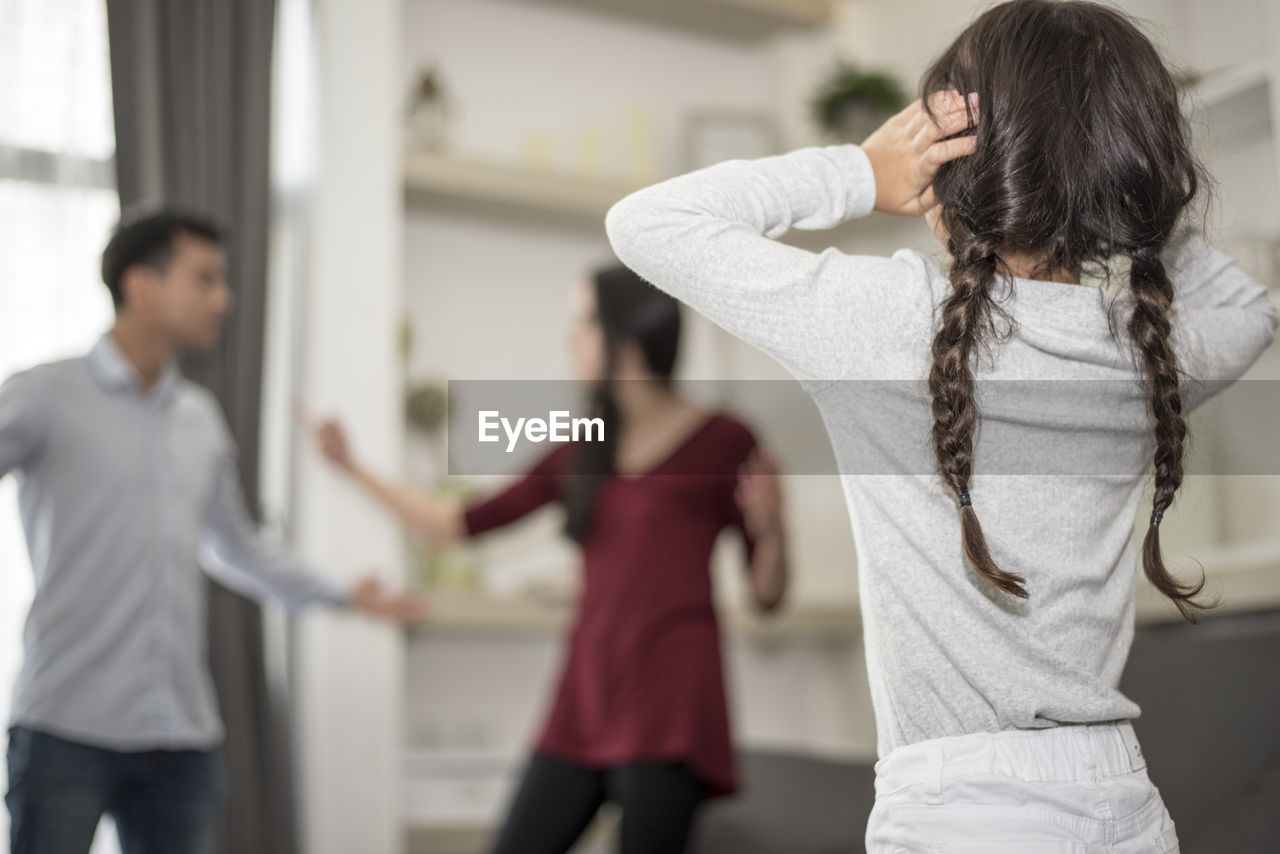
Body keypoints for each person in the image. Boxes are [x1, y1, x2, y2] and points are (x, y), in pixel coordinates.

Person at [603, 1, 1279, 851]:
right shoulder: (1142, 354)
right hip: (1124, 809)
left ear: (967, 157)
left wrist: (862, 170)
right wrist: (1119, 172)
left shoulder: (887, 322)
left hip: (959, 815)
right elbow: (1250, 308)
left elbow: (646, 225)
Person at [301, 264, 789, 854]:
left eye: (583, 323)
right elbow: (455, 525)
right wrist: (351, 466)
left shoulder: (727, 441)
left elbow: (767, 594)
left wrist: (773, 529)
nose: (571, 340)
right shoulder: (584, 448)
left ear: (625, 338)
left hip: (672, 702)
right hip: (585, 694)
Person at [0, 208, 424, 854]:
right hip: (65, 726)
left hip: (182, 740)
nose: (223, 299)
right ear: (141, 285)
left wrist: (343, 594)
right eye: (205, 279)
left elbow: (236, 547)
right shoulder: (44, 395)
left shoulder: (200, 418)